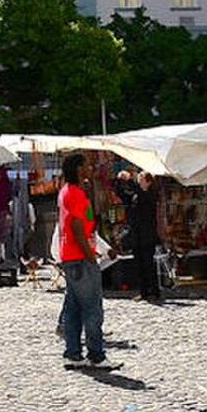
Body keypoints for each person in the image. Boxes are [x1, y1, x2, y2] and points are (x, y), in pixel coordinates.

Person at [57, 153, 113, 370]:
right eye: (87, 165)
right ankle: (96, 355)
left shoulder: (67, 191)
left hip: (70, 256)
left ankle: (73, 353)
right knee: (92, 309)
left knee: (73, 309)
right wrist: (91, 257)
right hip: (80, 258)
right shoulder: (76, 194)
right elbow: (77, 227)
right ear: (79, 169)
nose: (91, 168)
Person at [114, 169, 164, 302]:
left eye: (141, 179)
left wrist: (129, 180)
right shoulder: (135, 195)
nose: (139, 181)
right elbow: (123, 195)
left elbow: (141, 194)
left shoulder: (151, 194)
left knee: (149, 265)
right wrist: (119, 181)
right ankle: (143, 292)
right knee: (139, 265)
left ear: (148, 182)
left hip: (147, 236)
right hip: (136, 235)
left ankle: (154, 291)